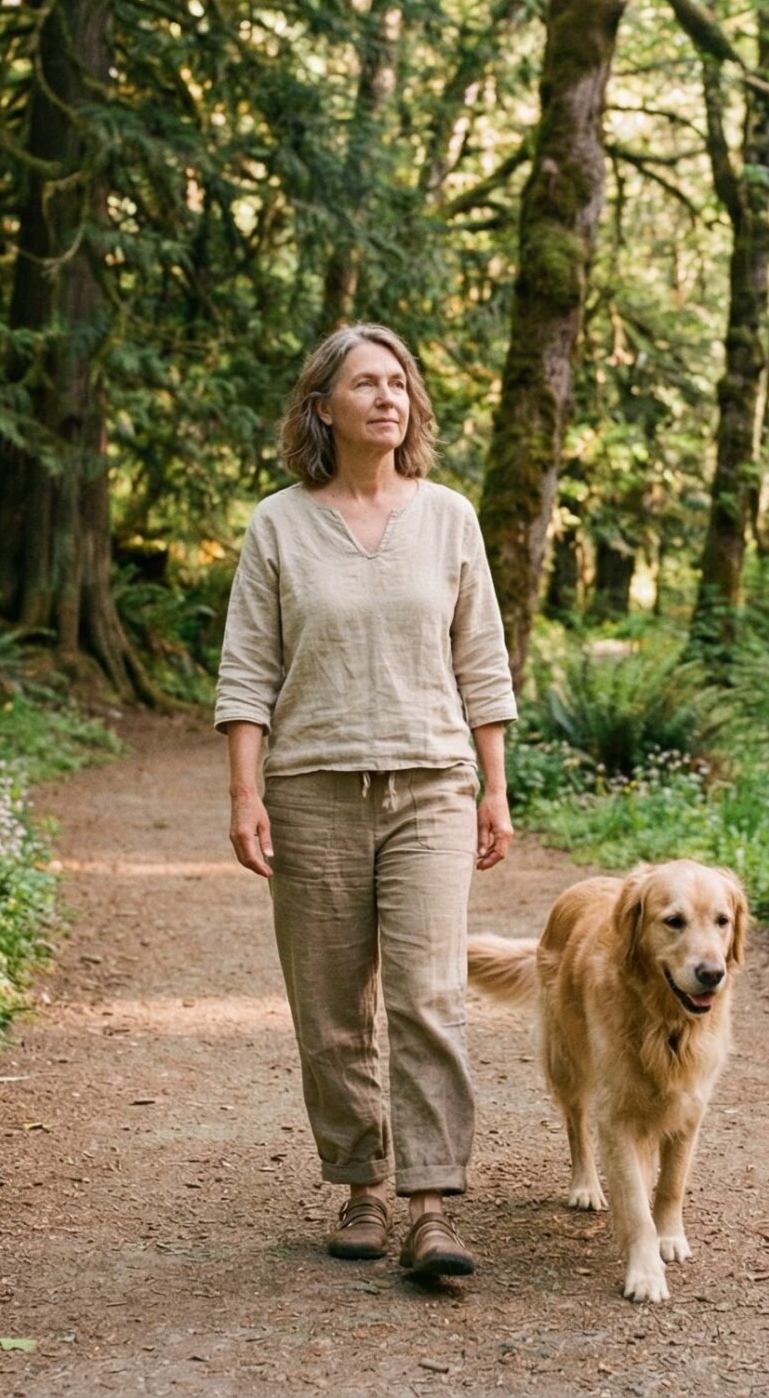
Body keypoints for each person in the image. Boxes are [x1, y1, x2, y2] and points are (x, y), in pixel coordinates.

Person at [215, 322, 517, 1279]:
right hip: (312, 790)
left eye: (400, 384)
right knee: (331, 1007)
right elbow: (248, 669)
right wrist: (245, 792)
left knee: (429, 996)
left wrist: (494, 787)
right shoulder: (278, 524)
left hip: (431, 785)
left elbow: (484, 662)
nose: (388, 397)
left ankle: (432, 1205)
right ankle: (362, 1187)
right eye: (366, 385)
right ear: (323, 407)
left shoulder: (451, 518)